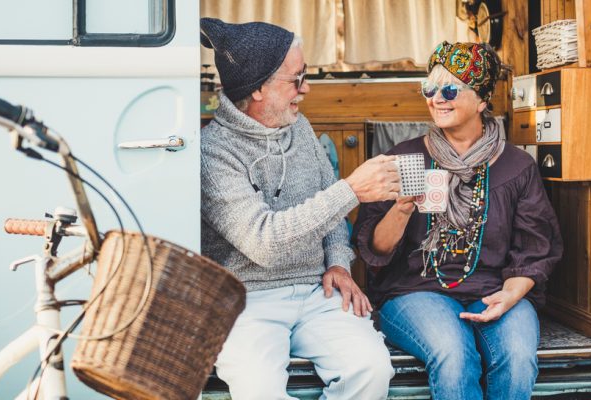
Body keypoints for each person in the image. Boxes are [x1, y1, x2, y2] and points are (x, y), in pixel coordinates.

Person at [353, 41, 563, 400]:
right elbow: (374, 248)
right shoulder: (404, 158)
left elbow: (535, 250)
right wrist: (403, 208)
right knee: (454, 354)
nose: (437, 98)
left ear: (481, 99)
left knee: (517, 356)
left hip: (494, 288)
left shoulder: (516, 167)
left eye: (450, 89)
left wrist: (510, 295)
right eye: (430, 89)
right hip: (414, 292)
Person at [199, 18, 396, 400]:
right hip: (244, 301)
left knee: (372, 370)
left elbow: (332, 219)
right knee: (260, 391)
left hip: (314, 292)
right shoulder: (212, 152)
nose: (306, 88)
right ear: (257, 88)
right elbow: (265, 243)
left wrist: (338, 262)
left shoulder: (299, 128)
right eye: (296, 79)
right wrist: (351, 189)